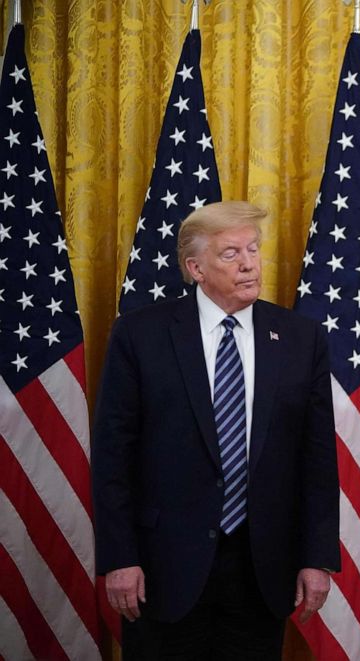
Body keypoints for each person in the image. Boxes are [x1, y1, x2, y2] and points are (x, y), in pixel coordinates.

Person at [92, 201, 339, 659]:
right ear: (196, 268)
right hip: (163, 565)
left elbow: (318, 458)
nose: (249, 263)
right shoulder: (140, 335)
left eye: (253, 249)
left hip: (261, 567)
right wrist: (119, 557)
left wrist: (317, 557)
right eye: (230, 254)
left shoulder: (301, 338)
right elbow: (113, 456)